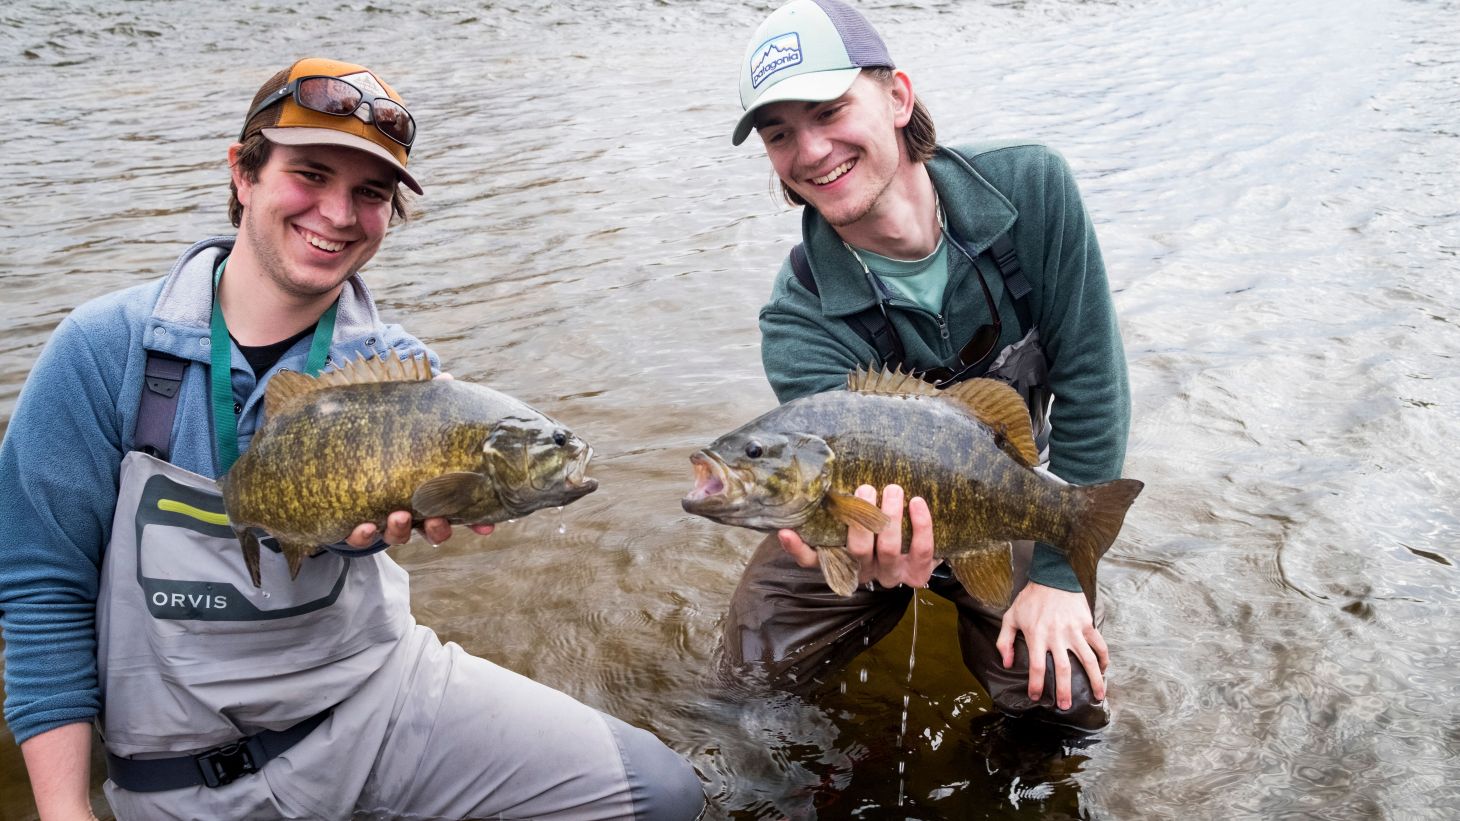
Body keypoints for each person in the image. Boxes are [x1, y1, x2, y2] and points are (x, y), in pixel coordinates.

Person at [0, 57, 704, 820]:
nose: (337, 213)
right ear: (243, 173)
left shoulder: (406, 374)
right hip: (180, 779)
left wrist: (366, 532)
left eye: (369, 193)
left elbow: (387, 520)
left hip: (379, 705)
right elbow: (42, 592)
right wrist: (63, 807)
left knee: (661, 796)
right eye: (309, 174)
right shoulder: (104, 352)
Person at [723, 0, 1133, 730]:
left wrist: (1058, 574)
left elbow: (1094, 385)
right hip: (860, 517)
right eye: (780, 134)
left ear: (898, 97)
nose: (811, 150)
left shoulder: (1033, 190)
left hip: (999, 495)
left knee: (1064, 700)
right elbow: (832, 481)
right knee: (749, 686)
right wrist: (864, 549)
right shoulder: (797, 317)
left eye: (828, 111)